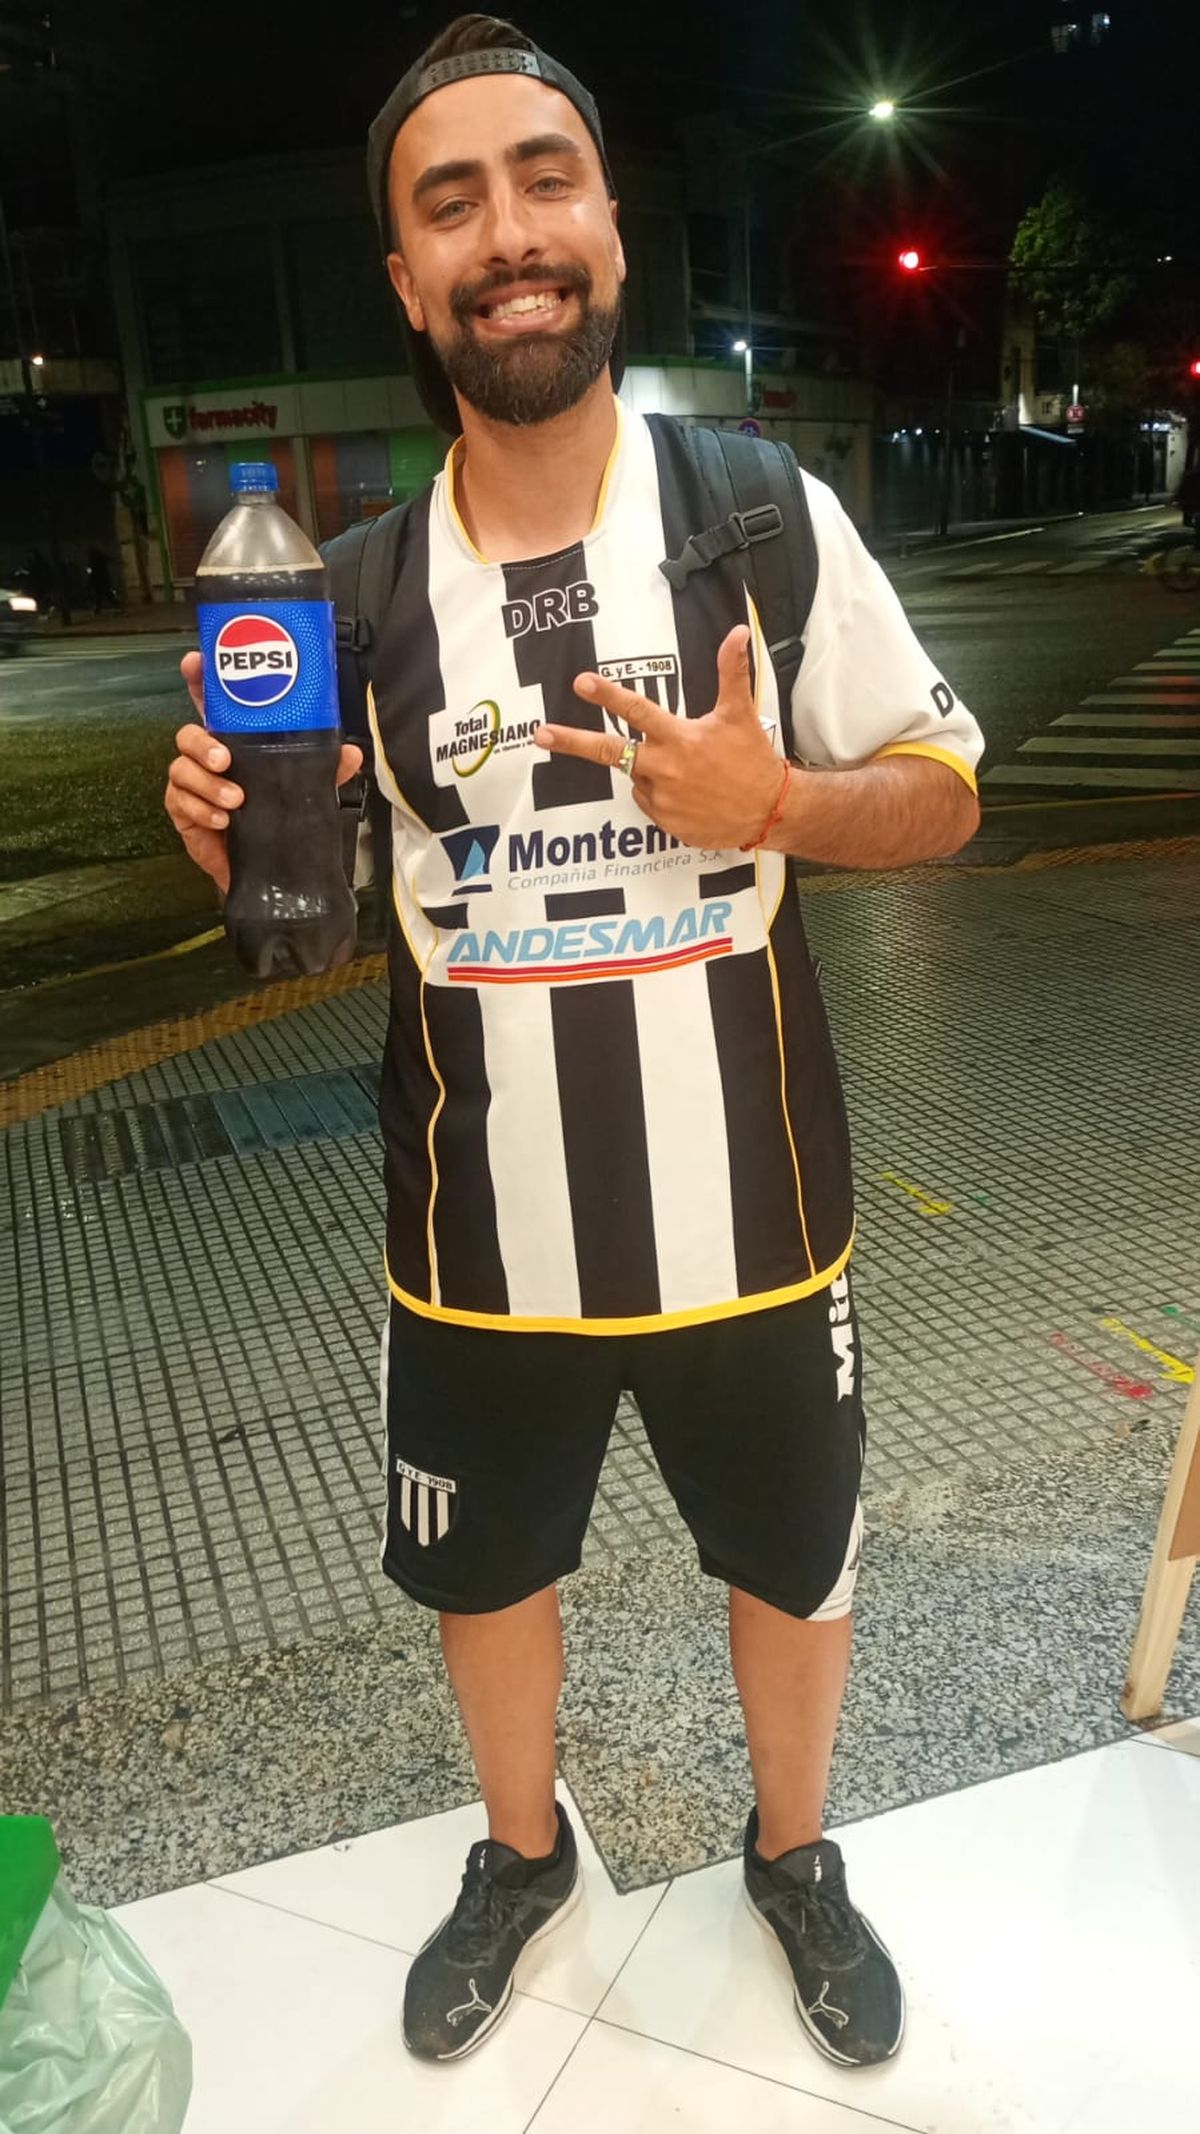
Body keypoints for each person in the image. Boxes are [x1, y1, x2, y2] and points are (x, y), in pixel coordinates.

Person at [165, 13, 983, 2075]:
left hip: (761, 1217)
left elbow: (947, 787)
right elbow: (317, 914)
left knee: (794, 1563)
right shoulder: (346, 600)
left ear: (611, 223)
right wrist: (239, 847)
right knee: (486, 1571)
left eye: (544, 180)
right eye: (453, 203)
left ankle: (795, 1853)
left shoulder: (761, 513)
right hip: (474, 1237)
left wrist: (781, 803)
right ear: (406, 280)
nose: (508, 232)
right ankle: (522, 1851)